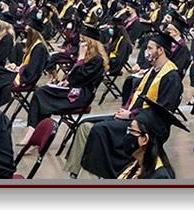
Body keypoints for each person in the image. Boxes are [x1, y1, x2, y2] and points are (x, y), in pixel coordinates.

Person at [69, 29, 183, 178]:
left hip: (148, 126)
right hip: (134, 117)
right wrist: (125, 110)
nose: (146, 52)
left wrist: (131, 114)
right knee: (84, 126)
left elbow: (162, 112)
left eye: (149, 48)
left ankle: (91, 176)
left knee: (98, 131)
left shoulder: (171, 77)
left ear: (160, 50)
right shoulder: (152, 71)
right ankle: (75, 172)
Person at [17, 25, 107, 145]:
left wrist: (80, 58)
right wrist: (66, 81)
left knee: (41, 94)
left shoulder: (97, 60)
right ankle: (33, 133)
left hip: (81, 96)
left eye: (82, 42)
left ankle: (34, 136)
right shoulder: (88, 57)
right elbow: (73, 78)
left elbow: (78, 78)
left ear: (89, 44)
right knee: (41, 92)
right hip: (74, 89)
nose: (79, 45)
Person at [117, 98, 184, 179]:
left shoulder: (160, 178)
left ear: (144, 139)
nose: (128, 135)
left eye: (131, 130)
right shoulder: (135, 166)